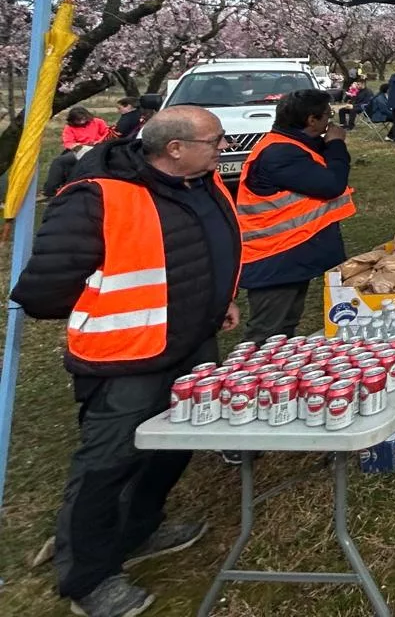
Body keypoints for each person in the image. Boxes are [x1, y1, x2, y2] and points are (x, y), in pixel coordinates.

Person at [12, 106, 242, 617]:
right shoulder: (98, 197)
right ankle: (87, 576)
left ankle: (140, 528)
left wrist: (219, 297)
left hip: (192, 342)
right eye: (214, 140)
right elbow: (43, 290)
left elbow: (209, 246)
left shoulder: (204, 182)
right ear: (174, 148)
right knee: (108, 463)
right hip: (127, 356)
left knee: (175, 445)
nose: (222, 147)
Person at [235, 90, 356, 344]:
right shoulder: (280, 153)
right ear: (311, 120)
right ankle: (259, 376)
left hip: (293, 253)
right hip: (275, 255)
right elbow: (331, 183)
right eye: (327, 115)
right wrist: (336, 144)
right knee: (269, 332)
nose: (330, 121)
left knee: (286, 325)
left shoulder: (293, 146)